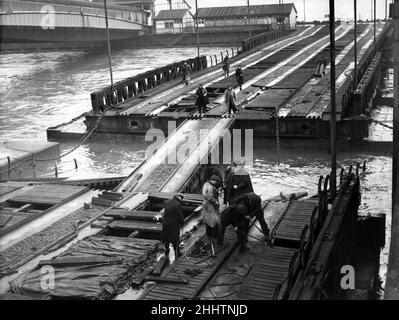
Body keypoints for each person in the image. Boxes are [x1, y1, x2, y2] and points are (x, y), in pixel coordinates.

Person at [202, 175, 222, 241]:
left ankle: (208, 234)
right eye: (216, 182)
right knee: (214, 221)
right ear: (213, 180)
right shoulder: (210, 187)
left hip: (205, 205)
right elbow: (210, 197)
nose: (216, 183)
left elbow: (204, 194)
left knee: (207, 221)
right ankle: (214, 236)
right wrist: (215, 202)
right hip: (211, 205)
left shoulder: (206, 184)